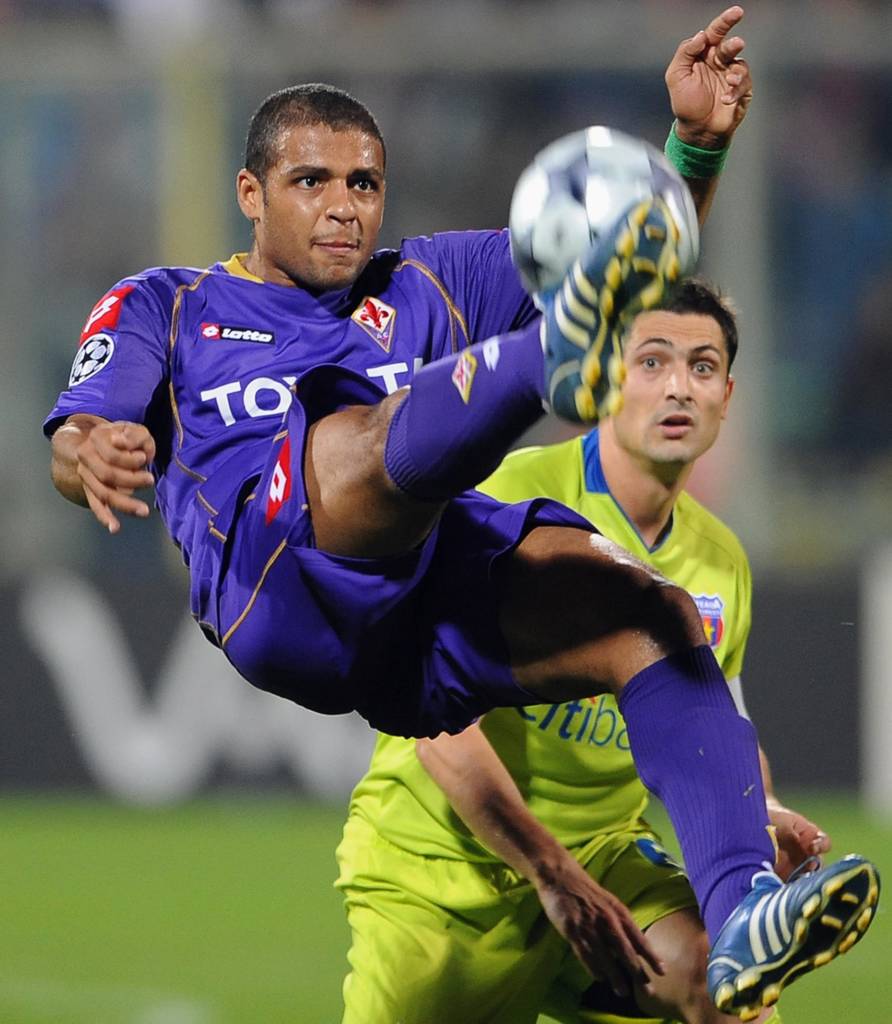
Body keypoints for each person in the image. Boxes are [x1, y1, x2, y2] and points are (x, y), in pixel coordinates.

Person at [43, 7, 877, 1017]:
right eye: (312, 182)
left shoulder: (429, 279)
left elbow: (626, 260)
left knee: (652, 616)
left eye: (364, 184)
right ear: (250, 194)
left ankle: (743, 911)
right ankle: (544, 359)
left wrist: (693, 147)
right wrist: (91, 450)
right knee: (350, 431)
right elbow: (77, 433)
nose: (343, 208)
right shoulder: (166, 303)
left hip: (422, 615)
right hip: (279, 582)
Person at [335, 281, 828, 1024]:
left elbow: (718, 724)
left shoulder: (721, 560)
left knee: (730, 990)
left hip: (606, 859)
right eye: (652, 361)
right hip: (446, 864)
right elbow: (439, 731)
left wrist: (766, 812)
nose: (678, 388)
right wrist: (551, 873)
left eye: (701, 367)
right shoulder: (509, 496)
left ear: (727, 397)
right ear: (606, 377)